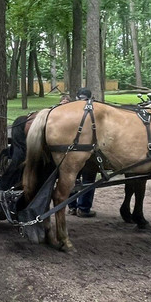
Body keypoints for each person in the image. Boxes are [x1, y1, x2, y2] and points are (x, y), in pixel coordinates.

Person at [69, 86, 97, 218]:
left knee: (72, 178)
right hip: (87, 153)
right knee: (89, 179)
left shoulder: (69, 113)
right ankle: (84, 208)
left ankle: (72, 206)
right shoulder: (92, 114)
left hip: (71, 152)